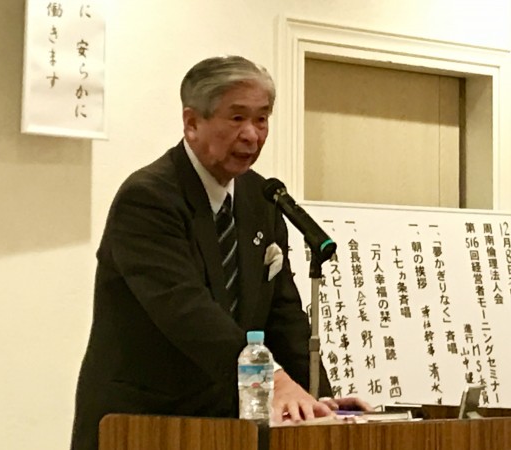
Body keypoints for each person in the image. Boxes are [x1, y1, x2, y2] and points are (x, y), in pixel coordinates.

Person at [70, 55, 370, 450]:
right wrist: (274, 381)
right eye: (237, 118)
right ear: (191, 122)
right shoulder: (148, 198)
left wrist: (314, 400)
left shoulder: (261, 198)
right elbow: (187, 312)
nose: (252, 135)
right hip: (145, 424)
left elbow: (283, 316)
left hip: (229, 428)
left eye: (262, 119)